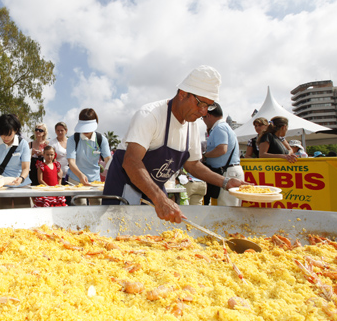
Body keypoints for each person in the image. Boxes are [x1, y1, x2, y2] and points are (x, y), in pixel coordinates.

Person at [103, 66, 248, 222]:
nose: (204, 112)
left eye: (208, 106)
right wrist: (160, 198)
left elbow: (192, 165)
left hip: (154, 189)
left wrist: (226, 182)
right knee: (118, 235)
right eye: (201, 103)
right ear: (183, 94)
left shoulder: (191, 125)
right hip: (124, 188)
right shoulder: (150, 115)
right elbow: (131, 161)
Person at [0, 114, 32, 208]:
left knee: (23, 213)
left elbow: (26, 168)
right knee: (2, 213)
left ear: (16, 130)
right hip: (1, 185)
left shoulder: (23, 144)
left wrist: (21, 178)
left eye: (9, 134)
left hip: (21, 184)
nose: (5, 138)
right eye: (2, 134)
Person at [67, 109, 112, 205]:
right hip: (76, 179)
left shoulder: (101, 139)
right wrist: (80, 176)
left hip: (95, 181)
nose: (86, 130)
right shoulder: (72, 139)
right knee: (80, 208)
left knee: (97, 208)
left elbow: (108, 160)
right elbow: (71, 162)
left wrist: (113, 176)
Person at [201, 103, 243, 206]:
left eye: (203, 118)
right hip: (228, 171)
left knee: (227, 209)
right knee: (231, 208)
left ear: (209, 116)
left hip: (227, 172)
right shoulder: (223, 127)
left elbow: (221, 149)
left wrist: (205, 155)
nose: (204, 122)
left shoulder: (219, 128)